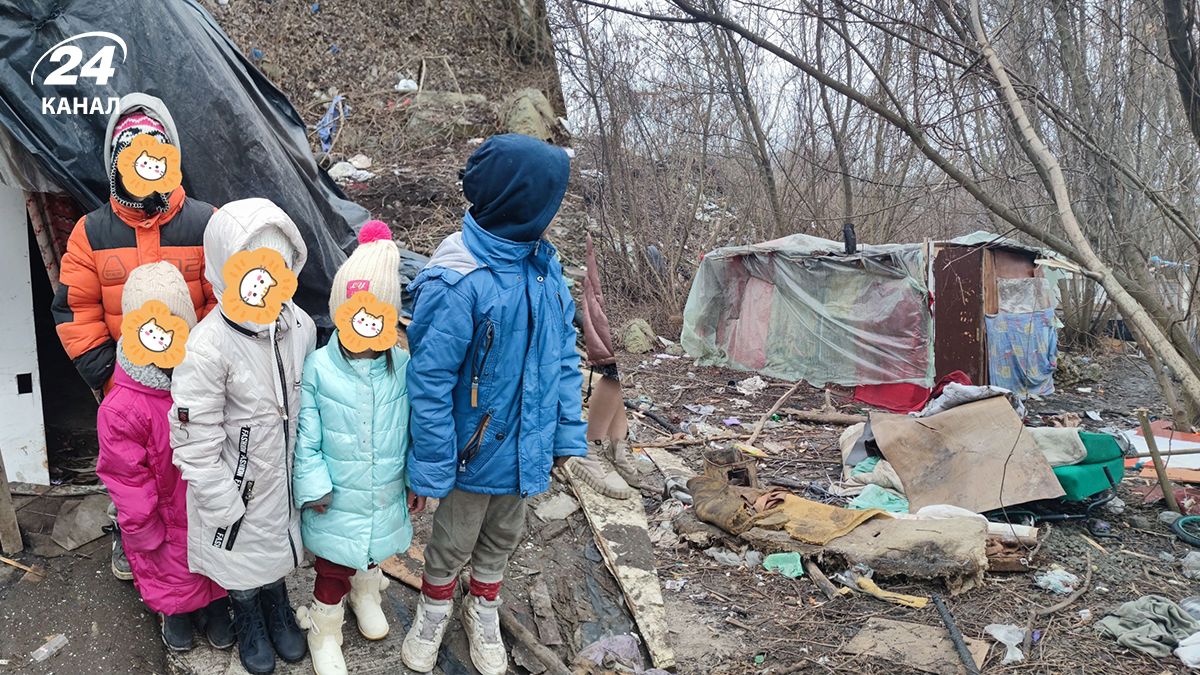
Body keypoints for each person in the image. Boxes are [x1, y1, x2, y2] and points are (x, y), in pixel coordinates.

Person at [400, 134, 587, 675]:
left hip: (527, 443)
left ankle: (482, 607)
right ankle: (435, 607)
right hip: (472, 450)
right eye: (549, 202)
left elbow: (564, 355)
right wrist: (432, 465)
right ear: (520, 204)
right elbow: (429, 381)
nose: (554, 214)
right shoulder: (459, 280)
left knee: (504, 534)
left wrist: (565, 432)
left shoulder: (544, 269)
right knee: (453, 538)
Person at [52, 93, 217, 582]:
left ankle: (200, 545)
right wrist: (106, 373)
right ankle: (131, 534)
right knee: (131, 468)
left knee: (196, 462)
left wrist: (209, 365)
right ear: (115, 165)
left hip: (194, 378)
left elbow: (223, 299)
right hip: (126, 383)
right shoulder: (91, 232)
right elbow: (75, 308)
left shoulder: (206, 222)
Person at [170, 198, 315, 674]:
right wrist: (219, 497)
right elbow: (194, 436)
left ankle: (276, 600)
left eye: (279, 268)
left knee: (276, 542)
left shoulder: (299, 326)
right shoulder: (208, 345)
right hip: (237, 481)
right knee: (241, 556)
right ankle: (247, 610)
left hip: (282, 471)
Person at [291, 220, 414, 675]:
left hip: (384, 489)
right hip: (337, 497)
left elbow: (414, 429)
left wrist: (415, 478)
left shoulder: (402, 366)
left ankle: (366, 593)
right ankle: (324, 629)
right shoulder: (319, 367)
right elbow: (307, 435)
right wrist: (313, 484)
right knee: (332, 567)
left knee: (374, 547)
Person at [95, 262, 231, 652]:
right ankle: (176, 612)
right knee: (170, 566)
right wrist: (140, 528)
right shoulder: (122, 408)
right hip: (164, 514)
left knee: (214, 556)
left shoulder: (206, 381)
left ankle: (216, 604)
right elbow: (126, 478)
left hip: (207, 501)